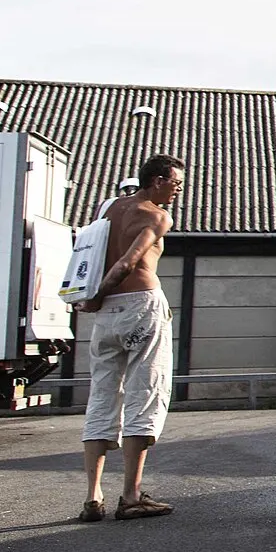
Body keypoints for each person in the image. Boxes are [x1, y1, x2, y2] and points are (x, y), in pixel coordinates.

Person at [77, 154, 185, 522]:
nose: (178, 190)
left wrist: (90, 296)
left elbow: (88, 251)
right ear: (157, 180)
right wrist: (96, 293)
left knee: (103, 394)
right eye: (175, 183)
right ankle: (131, 495)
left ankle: (93, 496)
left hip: (107, 313)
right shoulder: (157, 216)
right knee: (145, 394)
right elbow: (127, 263)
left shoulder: (110, 208)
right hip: (141, 305)